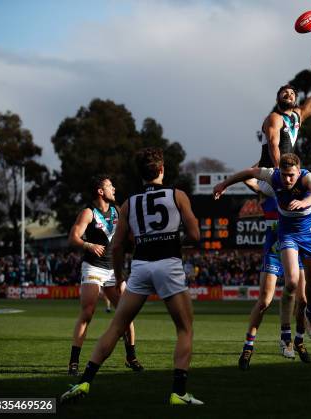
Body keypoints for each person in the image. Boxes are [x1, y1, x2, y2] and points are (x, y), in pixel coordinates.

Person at [60, 148, 203, 406]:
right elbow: (195, 236)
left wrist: (118, 275)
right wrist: (174, 241)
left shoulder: (127, 204)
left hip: (140, 267)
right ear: (161, 170)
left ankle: (85, 381)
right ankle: (179, 393)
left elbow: (117, 247)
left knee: (116, 326)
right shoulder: (177, 195)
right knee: (185, 329)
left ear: (140, 175)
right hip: (168, 264)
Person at [215, 153, 311, 357]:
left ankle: (304, 327)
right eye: (284, 175)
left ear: (298, 171)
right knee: (282, 289)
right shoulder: (270, 182)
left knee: (308, 289)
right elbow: (249, 174)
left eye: (291, 175)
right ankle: (275, 341)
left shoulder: (306, 178)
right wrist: (224, 184)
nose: (287, 180)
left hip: (307, 236)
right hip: (281, 242)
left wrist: (307, 201)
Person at [236, 177, 311, 370]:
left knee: (302, 299)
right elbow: (249, 177)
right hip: (274, 248)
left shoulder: (301, 188)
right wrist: (266, 157)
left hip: (294, 246)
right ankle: (248, 346)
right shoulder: (269, 188)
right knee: (264, 300)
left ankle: (296, 340)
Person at [66, 175, 143, 376]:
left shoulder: (118, 211)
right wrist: (88, 244)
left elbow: (129, 235)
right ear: (100, 191)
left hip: (113, 269)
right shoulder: (88, 212)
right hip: (93, 267)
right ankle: (74, 361)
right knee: (88, 312)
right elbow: (73, 237)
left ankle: (131, 357)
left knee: (127, 313)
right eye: (110, 186)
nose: (114, 189)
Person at [257, 41, 311, 168]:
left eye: (292, 93)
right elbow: (273, 145)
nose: (289, 94)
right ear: (277, 100)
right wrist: (280, 173)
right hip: (274, 174)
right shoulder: (275, 118)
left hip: (287, 173)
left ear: (295, 101)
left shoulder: (297, 115)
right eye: (285, 93)